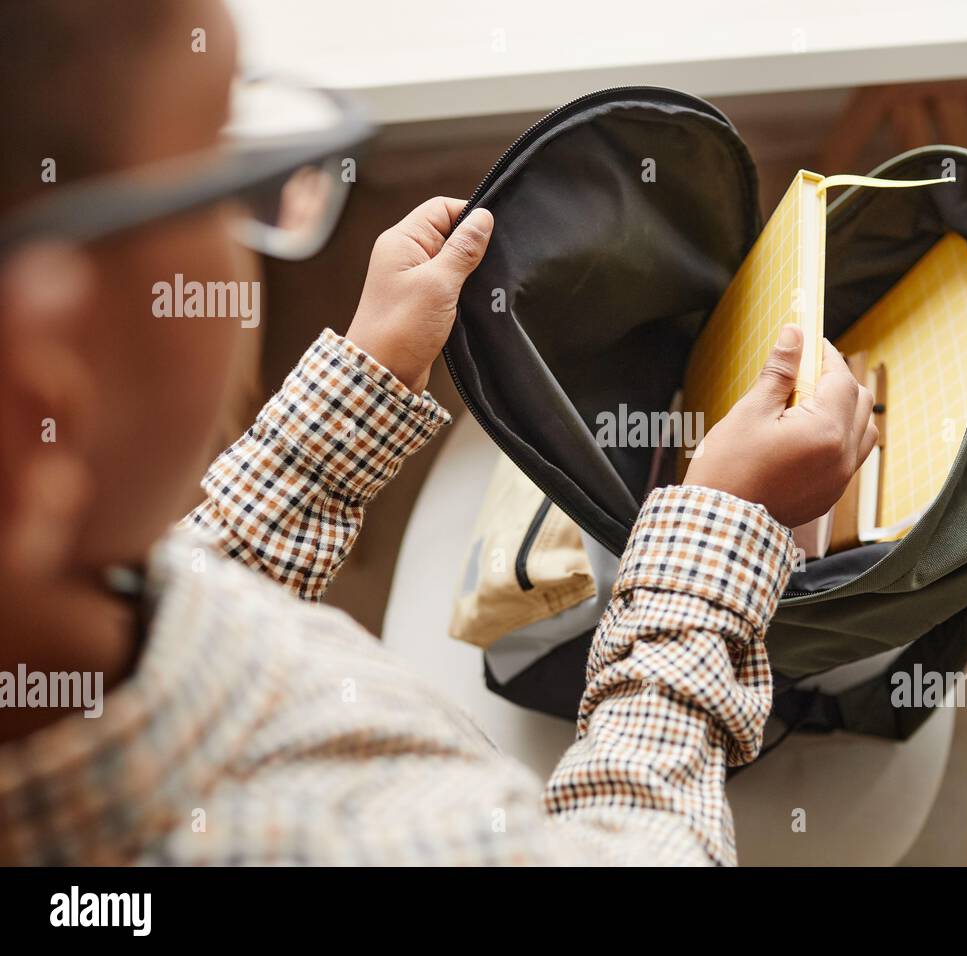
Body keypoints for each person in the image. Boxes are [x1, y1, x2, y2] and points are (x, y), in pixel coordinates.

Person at [0, 0, 875, 865]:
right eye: (223, 175)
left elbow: (195, 568)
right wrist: (714, 541)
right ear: (50, 369)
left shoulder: (53, 593)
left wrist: (361, 381)